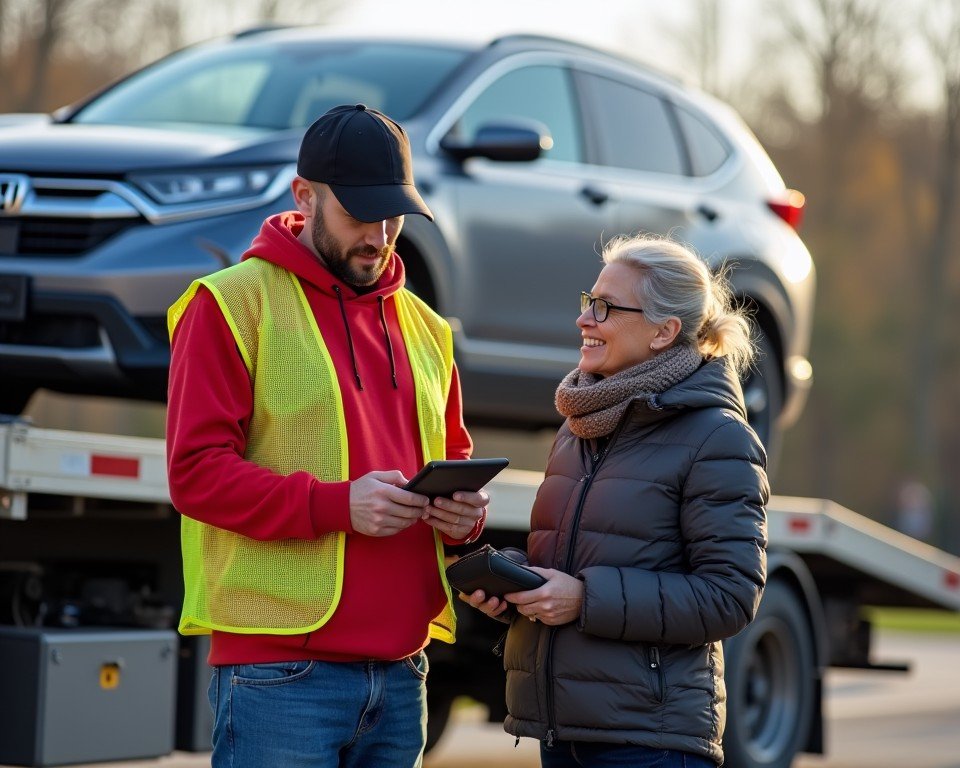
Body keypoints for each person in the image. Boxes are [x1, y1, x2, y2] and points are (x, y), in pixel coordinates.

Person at [165, 103, 488, 768]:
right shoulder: (229, 305)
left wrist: (462, 519)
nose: (380, 234)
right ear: (304, 197)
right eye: (359, 214)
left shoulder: (429, 330)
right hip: (279, 677)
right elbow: (194, 473)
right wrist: (339, 506)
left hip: (402, 676)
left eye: (394, 213)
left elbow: (452, 463)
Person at [463, 234, 769, 768]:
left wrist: (584, 599)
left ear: (663, 332)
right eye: (588, 302)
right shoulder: (580, 424)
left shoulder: (718, 437)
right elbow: (572, 566)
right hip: (562, 732)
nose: (585, 320)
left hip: (649, 742)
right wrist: (515, 583)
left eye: (605, 308)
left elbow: (729, 596)